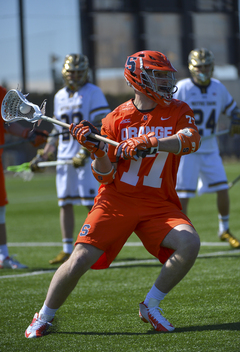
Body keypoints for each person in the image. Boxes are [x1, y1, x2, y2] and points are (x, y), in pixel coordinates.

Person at [25, 49, 201, 338]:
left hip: (158, 203)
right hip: (116, 200)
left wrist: (153, 141)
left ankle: (151, 305)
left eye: (166, 76)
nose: (166, 83)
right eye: (157, 76)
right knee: (80, 257)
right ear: (138, 80)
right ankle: (44, 315)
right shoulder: (116, 120)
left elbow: (190, 140)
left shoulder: (178, 110)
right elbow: (104, 175)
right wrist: (95, 150)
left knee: (190, 242)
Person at [30, 54, 111, 265]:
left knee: (91, 203)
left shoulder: (93, 92)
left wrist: (85, 152)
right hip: (66, 157)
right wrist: (44, 154)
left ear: (85, 73)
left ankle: (102, 246)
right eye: (71, 72)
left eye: (78, 72)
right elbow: (57, 131)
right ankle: (67, 249)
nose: (75, 76)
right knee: (65, 202)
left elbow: (102, 124)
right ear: (65, 74)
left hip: (86, 157)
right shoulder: (59, 96)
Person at [174, 48, 240, 249]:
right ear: (192, 68)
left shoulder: (218, 87)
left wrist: (236, 120)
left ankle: (224, 229)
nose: (203, 70)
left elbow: (233, 109)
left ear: (212, 67)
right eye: (199, 66)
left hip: (210, 148)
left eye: (206, 66)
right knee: (183, 195)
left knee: (222, 188)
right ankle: (180, 234)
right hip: (187, 150)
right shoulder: (183, 87)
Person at [0, 85, 49, 269]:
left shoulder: (1, 93)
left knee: (0, 209)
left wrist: (27, 134)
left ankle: (3, 257)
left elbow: (6, 122)